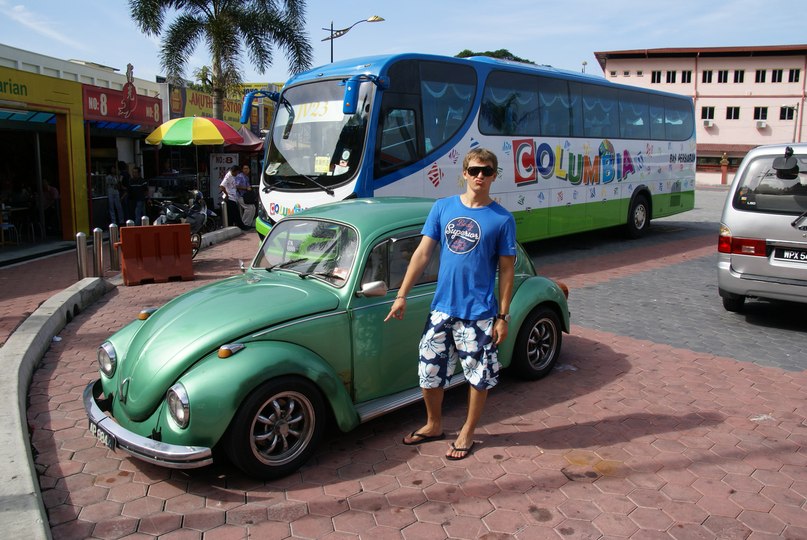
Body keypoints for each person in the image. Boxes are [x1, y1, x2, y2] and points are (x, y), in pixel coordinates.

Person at [385, 148, 517, 461]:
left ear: (495, 175)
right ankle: (433, 424)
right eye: (474, 171)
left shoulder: (502, 219)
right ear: (464, 173)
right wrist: (402, 294)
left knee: (477, 376)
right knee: (429, 371)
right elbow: (422, 254)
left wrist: (502, 316)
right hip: (442, 308)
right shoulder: (442, 208)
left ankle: (468, 432)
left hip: (480, 313)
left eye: (486, 171)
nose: (479, 176)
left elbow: (507, 269)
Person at [219, 164, 249, 230]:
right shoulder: (228, 176)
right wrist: (226, 194)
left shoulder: (233, 176)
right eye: (237, 172)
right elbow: (221, 186)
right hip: (230, 197)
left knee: (231, 214)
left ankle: (231, 226)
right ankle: (242, 226)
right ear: (234, 171)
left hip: (233, 197)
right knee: (236, 213)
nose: (237, 174)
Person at [235, 164, 256, 228]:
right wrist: (246, 188)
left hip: (246, 196)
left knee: (253, 208)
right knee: (248, 208)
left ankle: (248, 224)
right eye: (244, 168)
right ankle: (244, 223)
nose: (246, 170)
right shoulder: (240, 176)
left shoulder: (246, 177)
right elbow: (237, 186)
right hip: (240, 196)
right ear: (242, 169)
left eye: (247, 168)